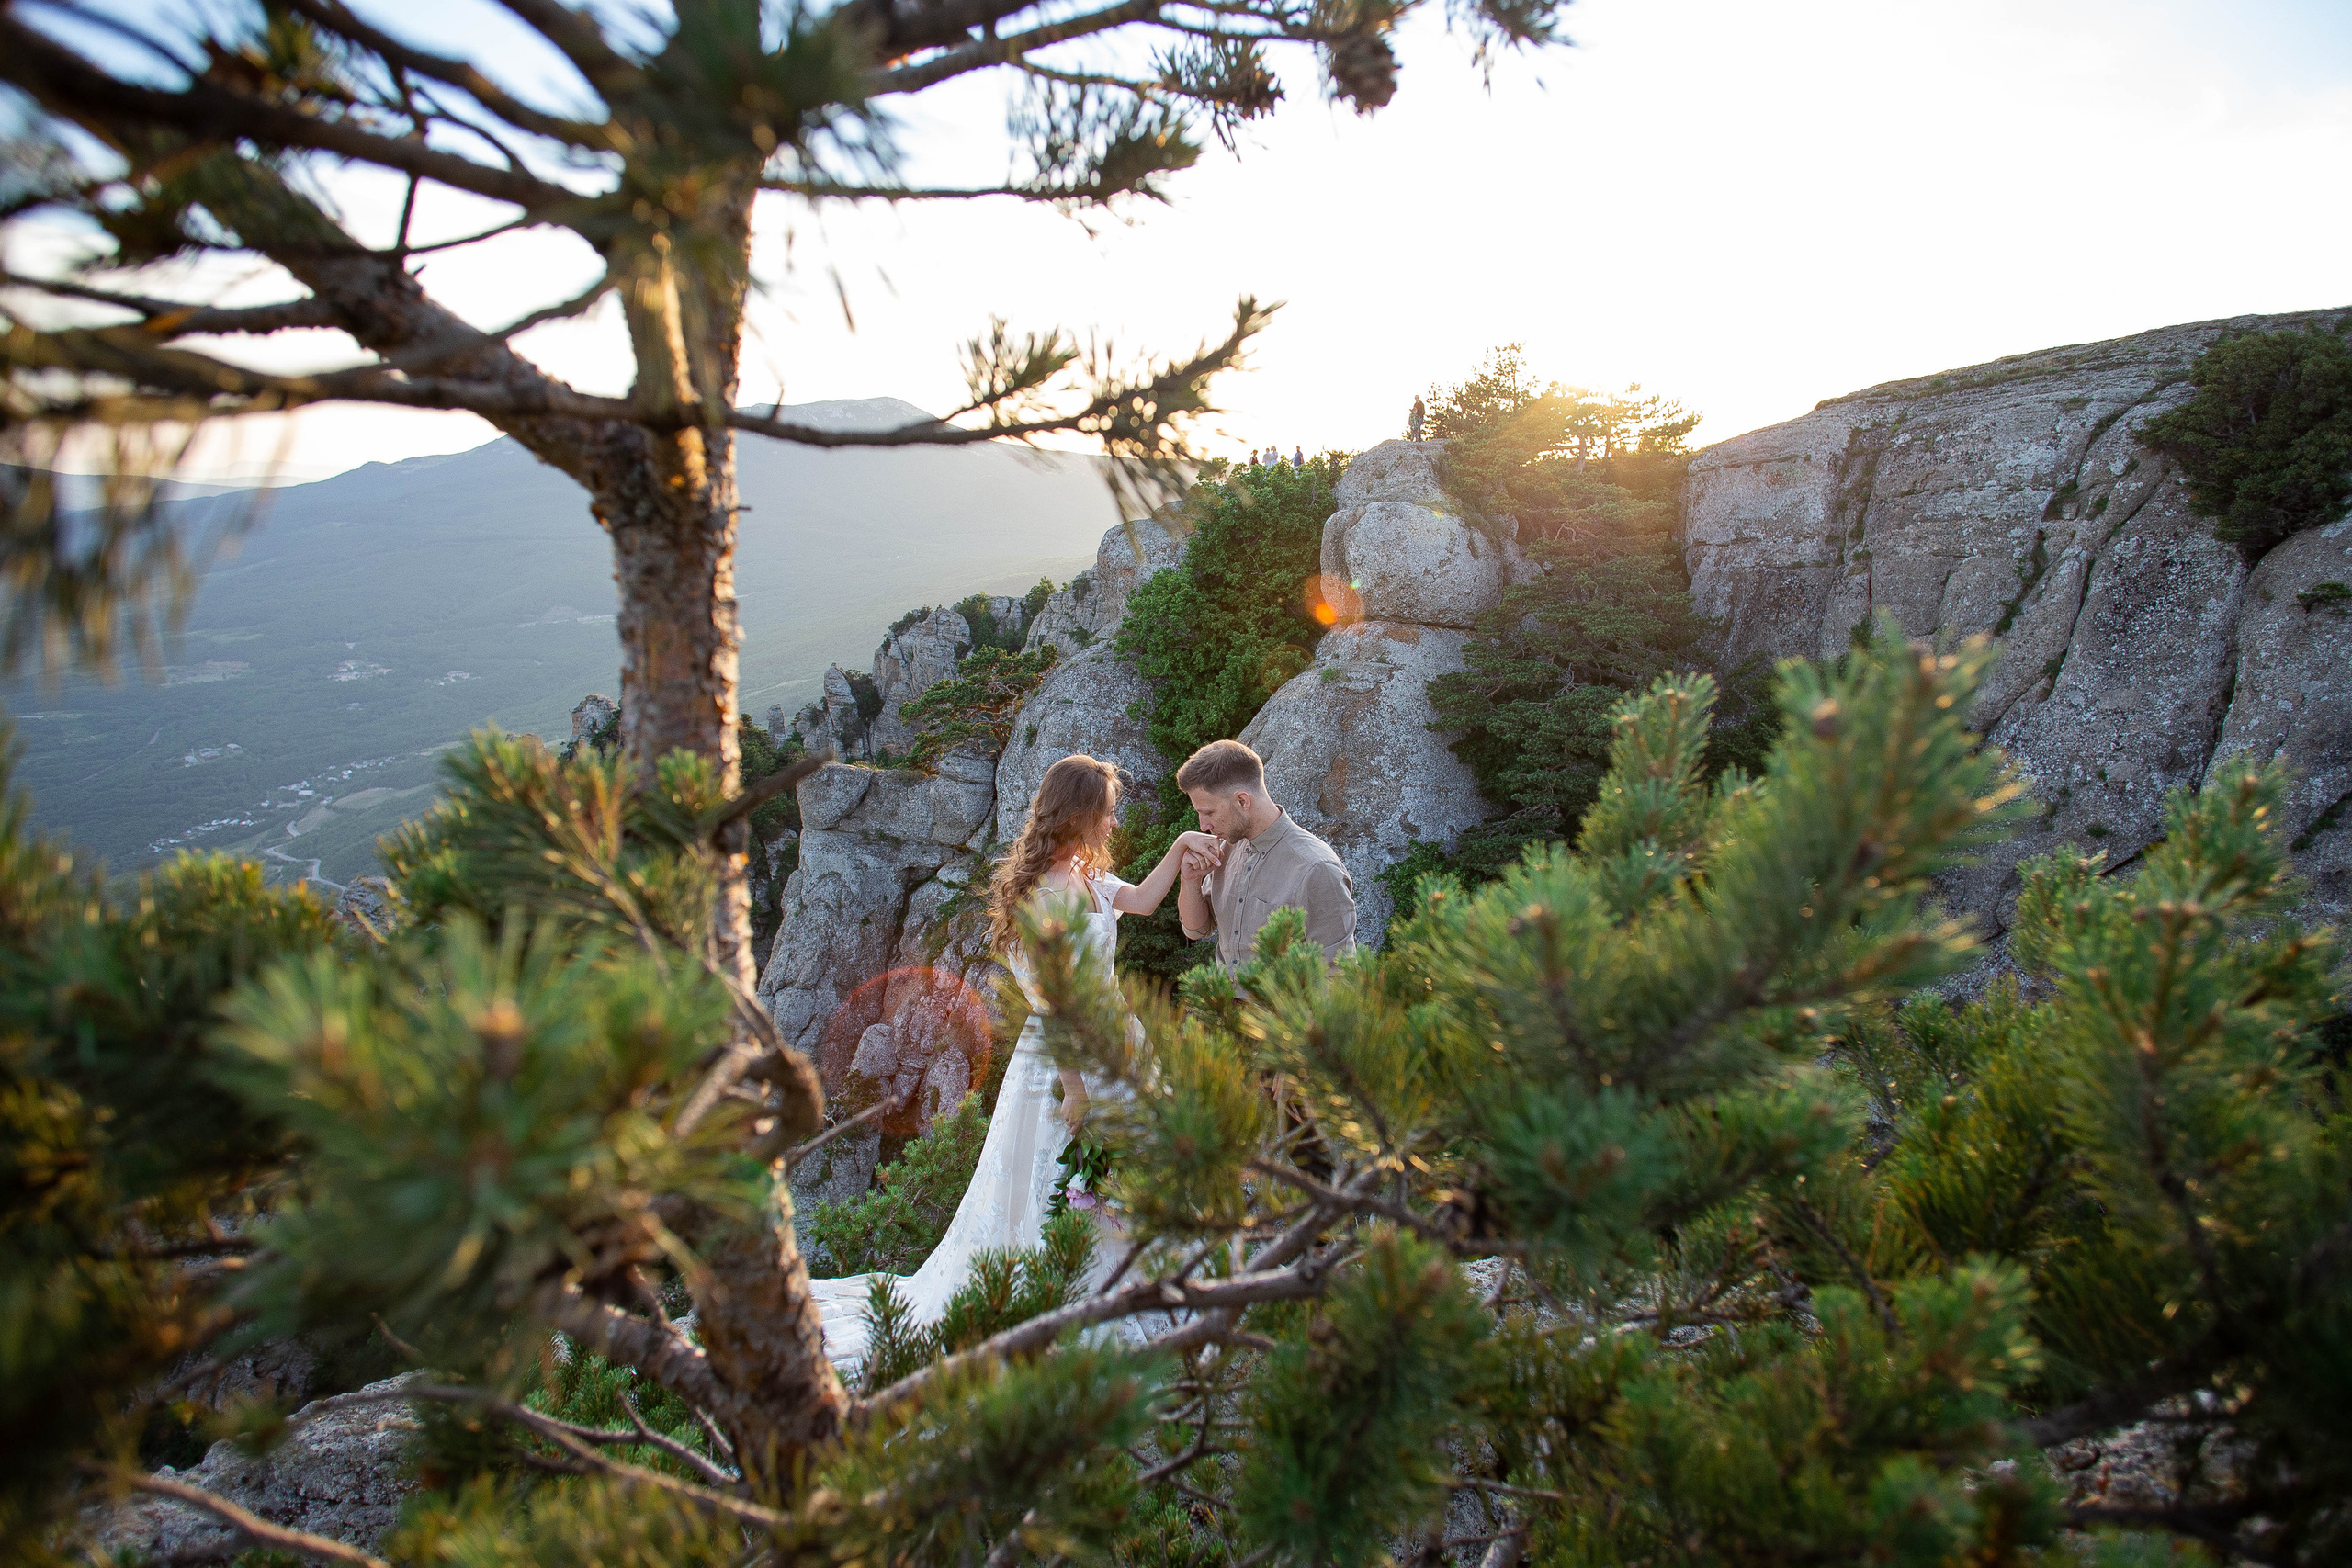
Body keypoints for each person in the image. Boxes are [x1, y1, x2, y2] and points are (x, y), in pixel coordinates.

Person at [807, 754, 1220, 1371]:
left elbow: (1136, 898)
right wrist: (1075, 1091)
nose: (1113, 820)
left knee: (1124, 1173)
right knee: (1071, 1180)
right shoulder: (1045, 899)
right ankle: (1074, 1301)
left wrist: (1183, 844)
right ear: (1080, 814)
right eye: (1107, 810)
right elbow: (1054, 1006)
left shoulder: (1080, 873)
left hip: (1119, 1041)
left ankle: (1139, 1281)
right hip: (1071, 1057)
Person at [1174, 739, 1356, 975]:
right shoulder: (1225, 849)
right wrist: (1190, 881)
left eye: (1208, 812)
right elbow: (1196, 930)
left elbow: (1337, 976)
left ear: (1242, 800)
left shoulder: (1317, 869)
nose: (1203, 825)